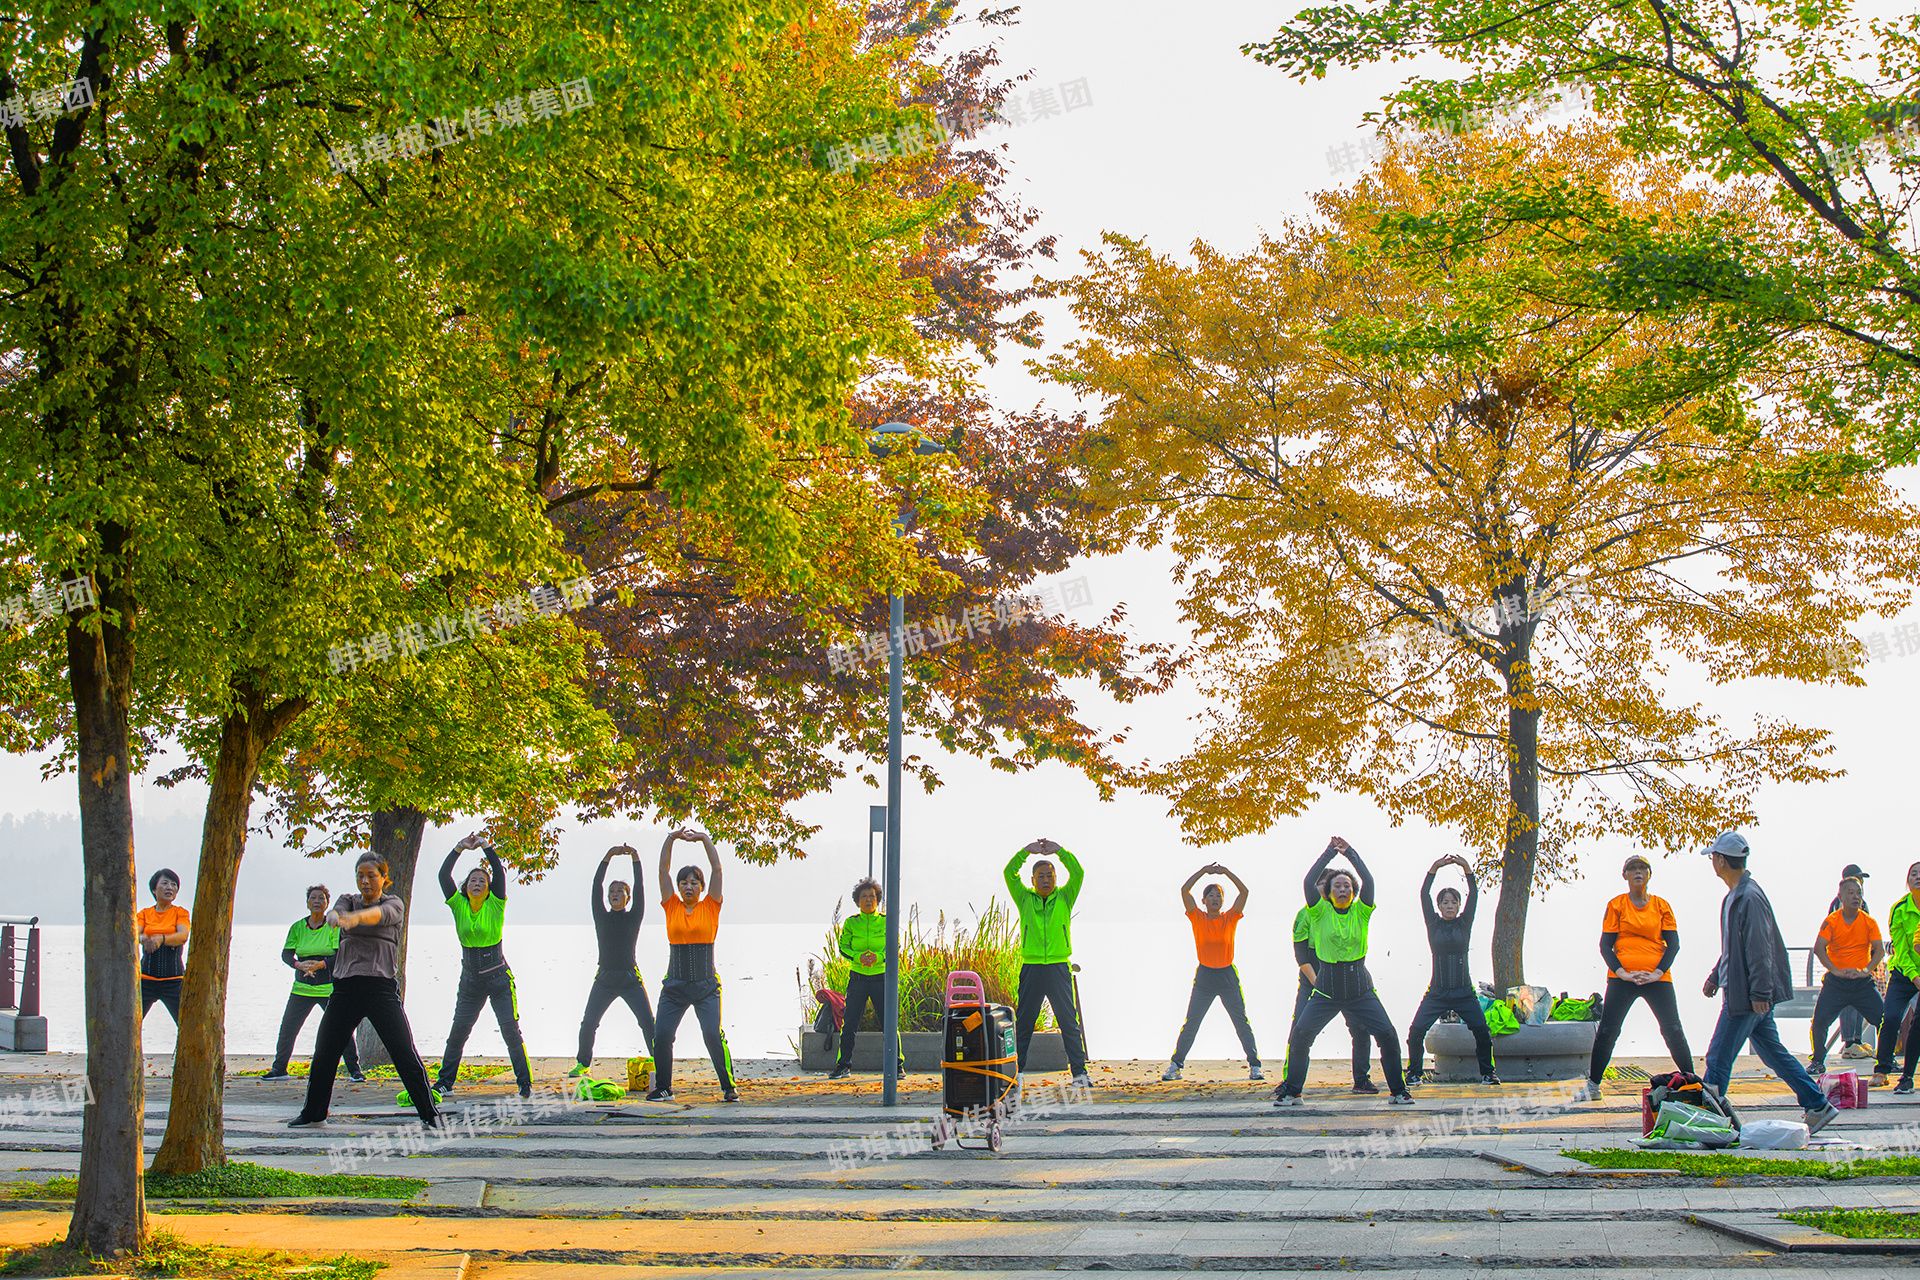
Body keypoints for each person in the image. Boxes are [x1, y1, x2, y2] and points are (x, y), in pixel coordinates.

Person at [1698, 830, 1840, 1134]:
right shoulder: (1735, 896)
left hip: (1746, 995)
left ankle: (1712, 1123)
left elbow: (1759, 948)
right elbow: (1733, 948)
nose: (1712, 862)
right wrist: (1715, 975)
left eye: (1713, 857)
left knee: (1718, 1056)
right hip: (1743, 990)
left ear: (1721, 860)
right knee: (1773, 1053)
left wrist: (1760, 992)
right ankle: (1817, 1104)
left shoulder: (1749, 897)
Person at [289, 852, 441, 1128]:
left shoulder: (393, 904)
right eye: (360, 875)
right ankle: (313, 1113)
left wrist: (354, 920)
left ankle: (429, 1115)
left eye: (371, 875)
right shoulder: (348, 900)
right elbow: (336, 912)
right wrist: (336, 916)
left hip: (380, 988)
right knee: (325, 1052)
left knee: (403, 1052)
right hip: (345, 988)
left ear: (384, 878)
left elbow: (377, 915)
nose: (365, 881)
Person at [1274, 837, 1412, 1106]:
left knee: (1387, 1034)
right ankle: (1292, 1091)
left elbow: (1368, 881)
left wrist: (1350, 854)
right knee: (1301, 1036)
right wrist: (1329, 853)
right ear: (1327, 892)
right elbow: (1308, 881)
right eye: (1336, 885)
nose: (1342, 888)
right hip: (1327, 988)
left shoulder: (1362, 912)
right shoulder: (1319, 912)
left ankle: (1399, 1091)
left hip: (1360, 988)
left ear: (1353, 891)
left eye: (1346, 885)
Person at [1573, 855, 1694, 1101]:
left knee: (1672, 1029)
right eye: (1632, 868)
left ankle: (1692, 1084)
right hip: (1623, 978)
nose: (1638, 872)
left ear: (1649, 874)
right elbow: (1605, 946)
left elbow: (1673, 945)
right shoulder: (1616, 905)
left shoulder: (1661, 905)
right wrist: (1623, 973)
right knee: (1608, 1030)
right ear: (1625, 875)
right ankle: (1593, 1086)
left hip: (1656, 978)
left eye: (1642, 868)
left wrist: (1657, 973)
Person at [433, 833, 532, 1098]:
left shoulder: (496, 904)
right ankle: (445, 1083)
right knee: (458, 1031)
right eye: (473, 880)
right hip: (470, 979)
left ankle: (524, 1084)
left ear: (489, 889)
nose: (477, 883)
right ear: (466, 887)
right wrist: (459, 847)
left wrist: (486, 846)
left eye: (482, 881)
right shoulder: (458, 905)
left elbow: (499, 873)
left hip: (498, 977)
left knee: (510, 1029)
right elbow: (443, 875)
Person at [649, 828, 738, 1102]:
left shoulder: (711, 906)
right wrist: (671, 838)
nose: (689, 886)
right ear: (678, 888)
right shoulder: (671, 906)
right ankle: (664, 1087)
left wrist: (703, 839)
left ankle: (728, 1087)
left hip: (706, 986)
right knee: (662, 1035)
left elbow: (717, 869)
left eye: (694, 882)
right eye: (684, 883)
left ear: (701, 887)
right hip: (674, 986)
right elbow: (662, 870)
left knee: (712, 1034)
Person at [1404, 855, 1498, 1086]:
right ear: (1439, 906)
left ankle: (1488, 1073)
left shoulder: (1464, 923)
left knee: (1481, 1030)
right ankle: (1414, 1073)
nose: (1449, 906)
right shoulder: (1433, 923)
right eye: (1445, 902)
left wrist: (1466, 868)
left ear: (1458, 906)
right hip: (1437, 991)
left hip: (1464, 991)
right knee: (1416, 1030)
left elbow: (1473, 894)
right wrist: (1434, 868)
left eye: (1453, 902)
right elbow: (1424, 894)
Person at [1162, 863, 1261, 1082]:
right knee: (1192, 1022)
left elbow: (1244, 892)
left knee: (1241, 1021)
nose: (1215, 898)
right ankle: (1176, 1065)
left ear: (1223, 901)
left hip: (1227, 976)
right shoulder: (1197, 917)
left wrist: (1227, 873)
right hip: (1205, 977)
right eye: (1211, 895)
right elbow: (1184, 890)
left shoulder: (1230, 918)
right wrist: (1203, 871)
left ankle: (1255, 1066)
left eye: (1218, 896)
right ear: (1204, 901)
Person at [1004, 838, 1091, 1088]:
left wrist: (1060, 851)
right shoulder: (1024, 898)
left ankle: (1079, 1074)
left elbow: (1078, 872)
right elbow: (1009, 873)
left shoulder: (1065, 897)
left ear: (1056, 878)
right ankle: (1016, 1074)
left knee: (1068, 1022)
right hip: (1032, 968)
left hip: (1058, 967)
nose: (1046, 880)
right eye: (1041, 876)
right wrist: (1025, 852)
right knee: (1024, 1022)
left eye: (1050, 876)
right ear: (1032, 880)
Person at [1285, 868, 1378, 1093]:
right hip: (1314, 974)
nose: (1333, 889)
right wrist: (1318, 982)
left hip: (1346, 976)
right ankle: (1290, 1081)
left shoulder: (1348, 911)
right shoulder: (1307, 913)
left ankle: (1361, 1079)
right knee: (1300, 1029)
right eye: (1326, 884)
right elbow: (1301, 956)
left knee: (1360, 1027)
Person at [573, 843, 657, 1077]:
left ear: (628, 898)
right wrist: (608, 856)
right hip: (605, 978)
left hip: (630, 978)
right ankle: (583, 1063)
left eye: (620, 891)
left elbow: (640, 886)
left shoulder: (634, 916)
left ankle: (659, 1060)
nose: (615, 894)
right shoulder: (601, 916)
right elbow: (596, 885)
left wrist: (636, 859)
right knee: (589, 1023)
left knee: (647, 1022)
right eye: (612, 892)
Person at [264, 884, 363, 1082]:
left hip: (329, 989)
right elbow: (286, 954)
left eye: (321, 898)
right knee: (288, 1028)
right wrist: (299, 965)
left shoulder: (333, 927)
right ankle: (279, 1069)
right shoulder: (297, 927)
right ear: (307, 903)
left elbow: (339, 954)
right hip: (301, 989)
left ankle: (355, 1071)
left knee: (341, 1028)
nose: (317, 901)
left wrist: (320, 965)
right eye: (313, 898)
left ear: (327, 903)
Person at [828, 877, 907, 1080]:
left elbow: (894, 946)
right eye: (864, 896)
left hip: (882, 978)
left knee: (889, 1023)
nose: (869, 900)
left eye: (872, 896)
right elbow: (843, 947)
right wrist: (858, 957)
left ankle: (897, 1065)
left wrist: (878, 957)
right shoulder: (851, 923)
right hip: (858, 978)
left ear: (878, 899)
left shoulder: (886, 921)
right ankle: (843, 1065)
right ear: (857, 901)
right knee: (849, 1024)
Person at [1808, 875, 1885, 1077]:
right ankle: (1817, 1061)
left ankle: (1887, 1060)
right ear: (1841, 896)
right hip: (1836, 983)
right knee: (1819, 1022)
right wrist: (1834, 970)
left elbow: (1879, 950)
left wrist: (1866, 970)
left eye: (1859, 893)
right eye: (1850, 893)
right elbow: (1819, 948)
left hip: (1862, 983)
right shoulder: (1831, 921)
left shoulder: (1869, 922)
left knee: (1884, 1020)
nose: (1856, 897)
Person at [1871, 859, 1920, 1092]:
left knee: (1918, 1024)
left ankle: (1907, 1077)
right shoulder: (1899, 909)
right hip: (1903, 972)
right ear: (1907, 881)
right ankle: (1882, 1070)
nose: (1918, 877)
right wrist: (1915, 977)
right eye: (1914, 874)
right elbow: (1900, 949)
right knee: (1890, 1017)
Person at [1829, 863, 1876, 1058]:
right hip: (1845, 960)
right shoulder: (1840, 902)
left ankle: (1857, 1040)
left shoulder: (1861, 902)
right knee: (1848, 1001)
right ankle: (1849, 1043)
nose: (1861, 882)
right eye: (1857, 878)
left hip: (1860, 960)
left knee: (1858, 1000)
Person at [137, 869, 191, 1025]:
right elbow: (133, 934)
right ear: (154, 889)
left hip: (174, 981)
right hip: (145, 980)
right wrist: (144, 939)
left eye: (174, 885)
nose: (170, 887)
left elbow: (183, 936)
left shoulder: (180, 913)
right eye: (165, 883)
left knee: (186, 1023)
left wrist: (161, 939)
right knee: (131, 1023)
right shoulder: (144, 914)